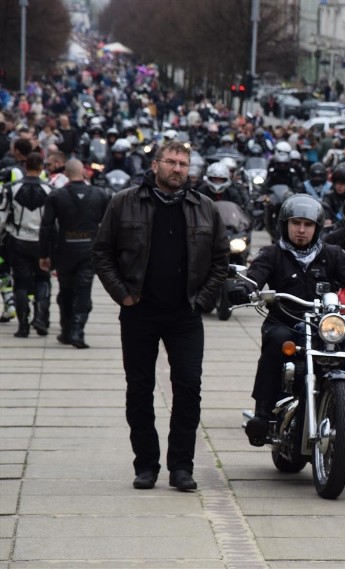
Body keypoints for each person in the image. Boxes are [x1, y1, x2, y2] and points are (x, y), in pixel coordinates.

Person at [92, 140, 230, 492]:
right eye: (171, 162)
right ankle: (146, 465)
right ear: (155, 165)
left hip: (186, 314)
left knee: (188, 388)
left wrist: (202, 301)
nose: (178, 169)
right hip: (139, 311)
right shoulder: (124, 202)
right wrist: (122, 295)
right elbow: (103, 252)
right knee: (140, 390)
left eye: (184, 163)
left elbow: (220, 261)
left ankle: (181, 467)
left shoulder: (205, 208)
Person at [236, 195, 345, 447]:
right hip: (285, 321)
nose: (301, 230)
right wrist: (244, 287)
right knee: (275, 342)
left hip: (325, 324)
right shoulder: (272, 254)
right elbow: (254, 277)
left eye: (308, 224)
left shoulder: (332, 254)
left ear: (317, 227)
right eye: (296, 223)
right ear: (285, 225)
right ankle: (263, 414)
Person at [38, 159, 110, 347]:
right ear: (84, 173)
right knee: (83, 289)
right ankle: (77, 330)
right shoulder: (99, 194)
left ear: (67, 174)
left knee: (67, 291)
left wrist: (44, 254)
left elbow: (46, 227)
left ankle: (67, 329)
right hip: (89, 249)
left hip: (65, 250)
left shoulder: (57, 195)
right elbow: (110, 225)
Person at [1, 152, 53, 338]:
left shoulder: (10, 188)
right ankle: (40, 316)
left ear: (25, 167)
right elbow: (53, 221)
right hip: (41, 242)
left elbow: (2, 216)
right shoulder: (50, 190)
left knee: (20, 282)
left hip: (18, 241)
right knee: (42, 278)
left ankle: (23, 325)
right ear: (41, 168)